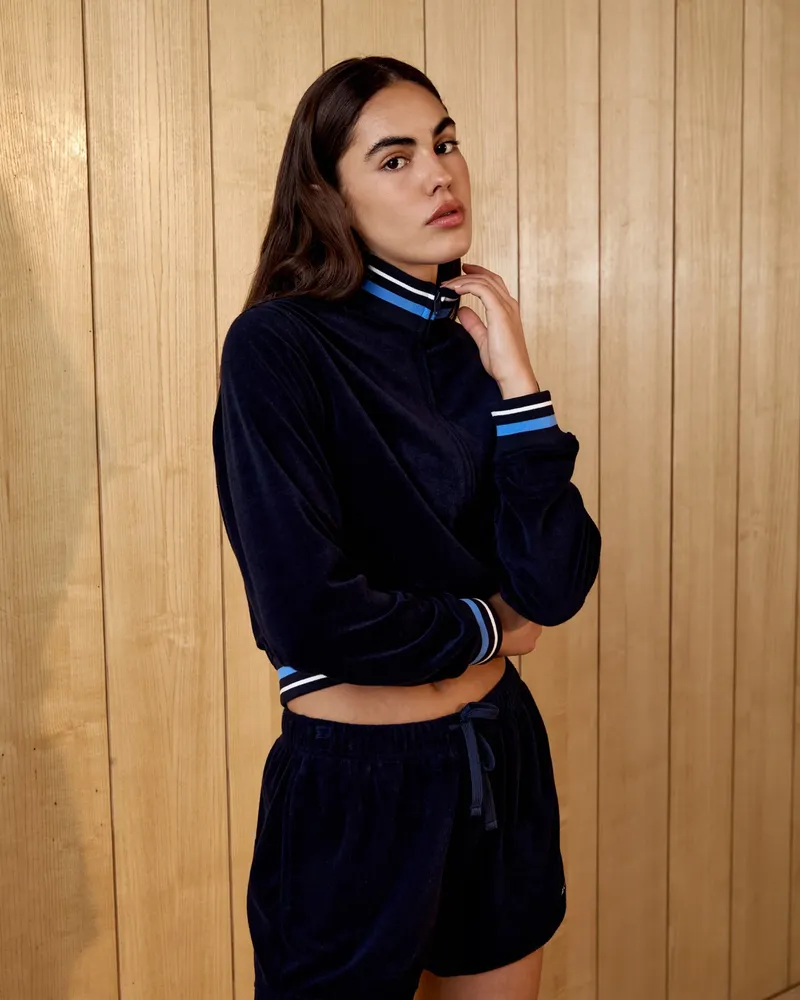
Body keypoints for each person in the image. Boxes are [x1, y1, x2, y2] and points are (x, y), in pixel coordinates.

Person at [212, 54, 601, 1000]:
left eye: (445, 143)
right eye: (395, 159)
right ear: (327, 195)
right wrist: (487, 625)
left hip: (499, 753)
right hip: (358, 785)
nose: (439, 173)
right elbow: (309, 615)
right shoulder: (278, 345)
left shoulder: (477, 340)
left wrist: (520, 385)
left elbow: (554, 585)